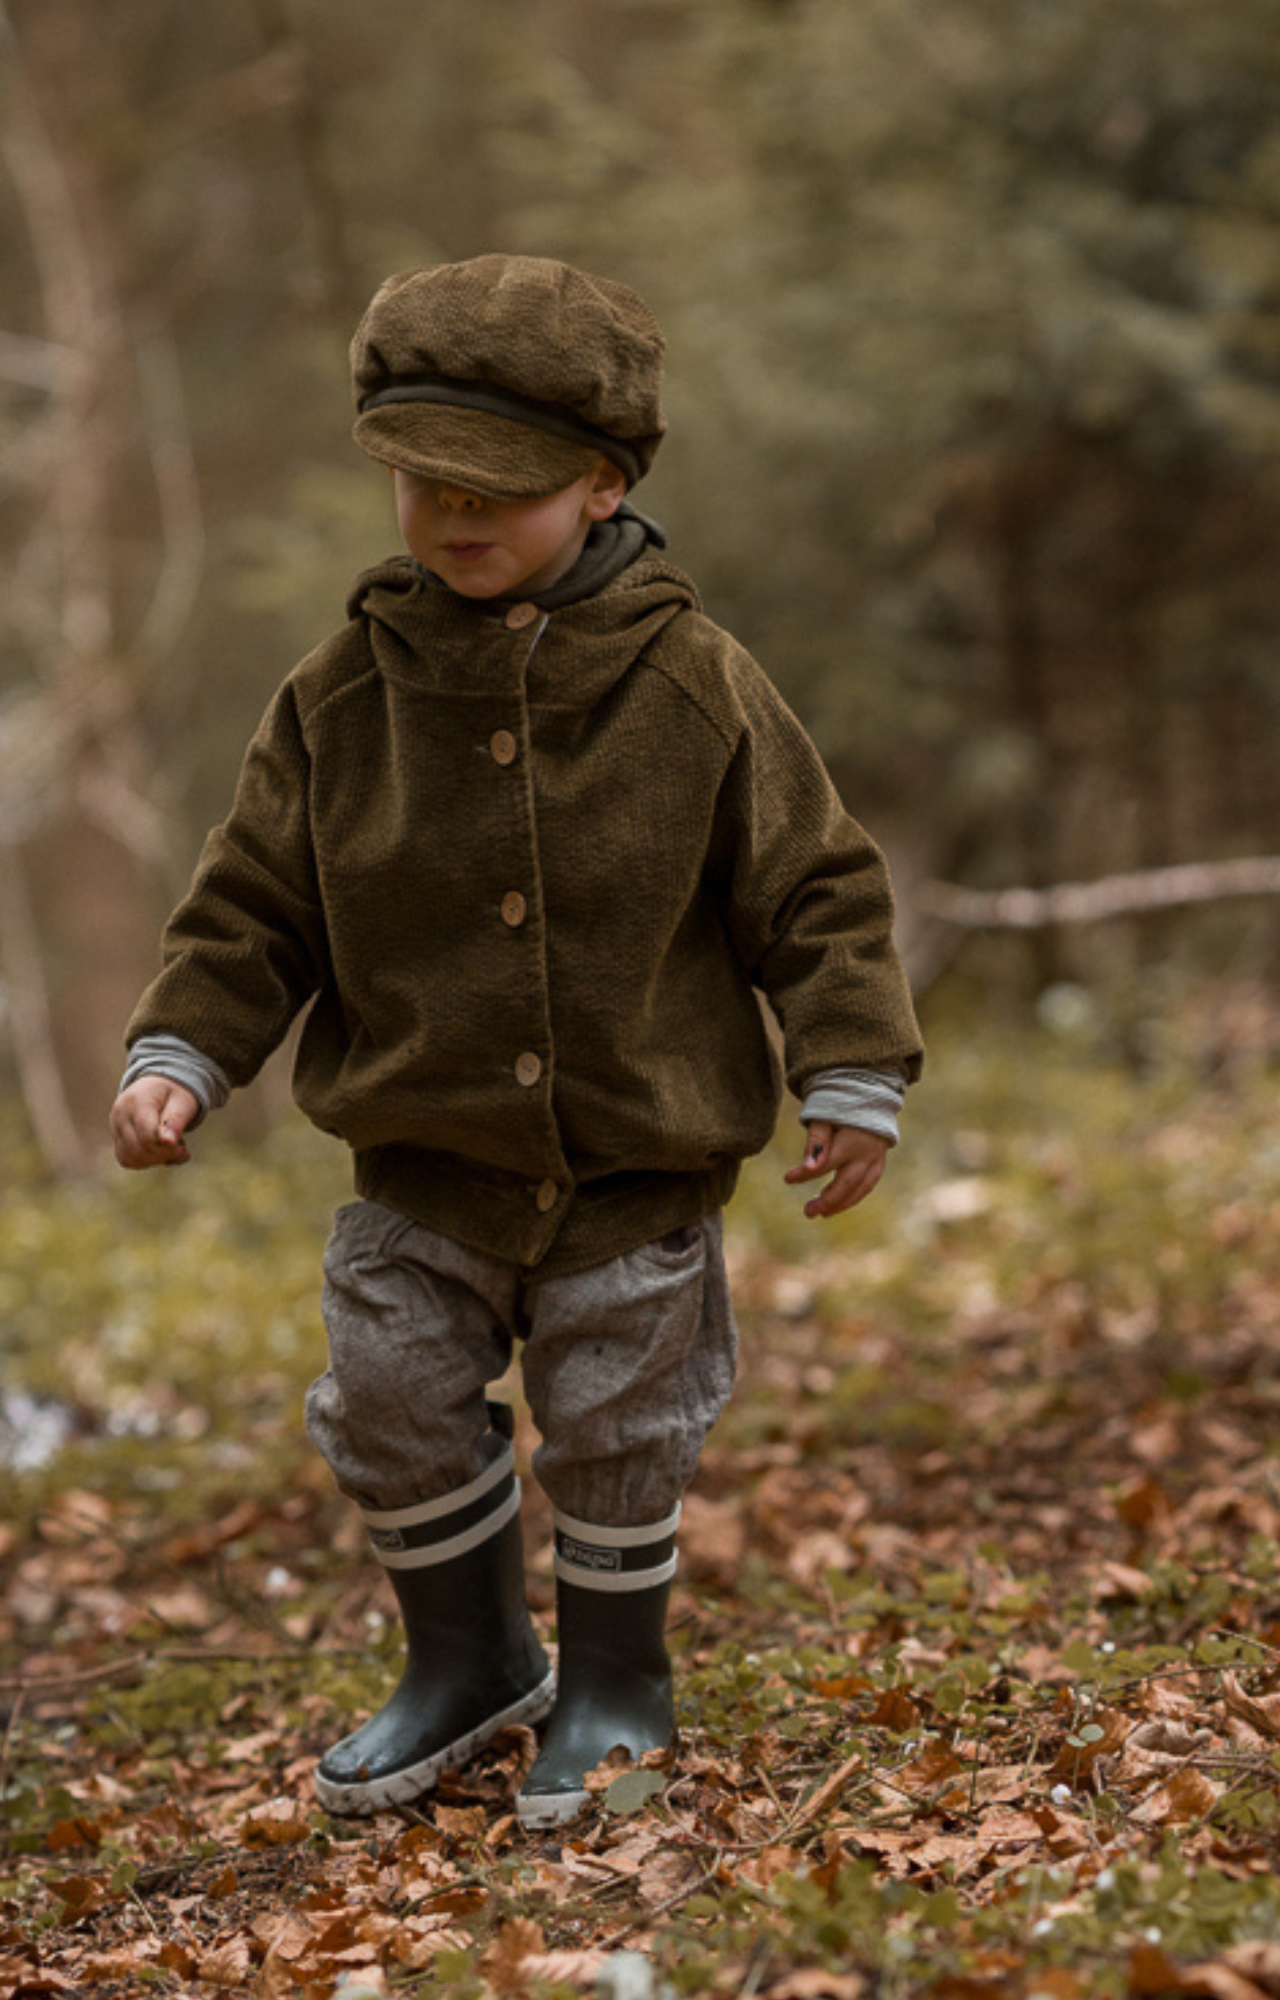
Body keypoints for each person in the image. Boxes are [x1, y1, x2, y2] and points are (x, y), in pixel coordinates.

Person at [109, 254, 924, 1829]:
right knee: (391, 1394)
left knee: (621, 1424)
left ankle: (619, 1679)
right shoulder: (343, 696)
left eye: (499, 489)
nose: (455, 518)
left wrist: (851, 1068)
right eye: (421, 486)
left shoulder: (692, 681)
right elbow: (251, 904)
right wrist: (183, 1052)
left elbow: (814, 885)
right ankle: (470, 1656)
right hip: (424, 1164)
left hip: (637, 1160)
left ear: (604, 480)